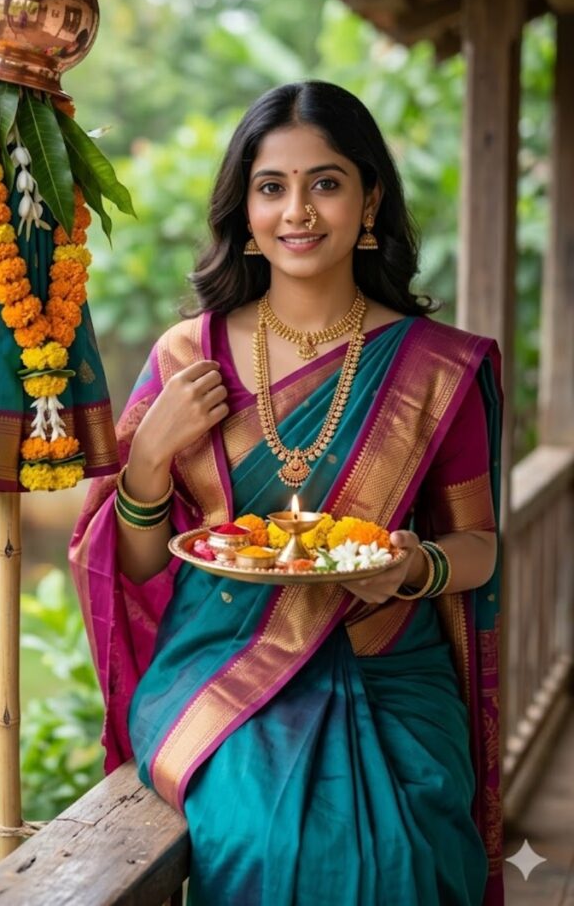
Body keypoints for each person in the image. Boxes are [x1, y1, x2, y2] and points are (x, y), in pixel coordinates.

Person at [68, 80, 503, 905]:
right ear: (245, 210)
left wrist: (414, 569)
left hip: (388, 665)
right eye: (272, 187)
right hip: (221, 661)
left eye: (326, 182)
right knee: (264, 837)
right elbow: (132, 563)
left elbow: (478, 546)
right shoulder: (183, 356)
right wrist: (150, 458)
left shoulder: (436, 368)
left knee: (414, 843)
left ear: (369, 198)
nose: (298, 210)